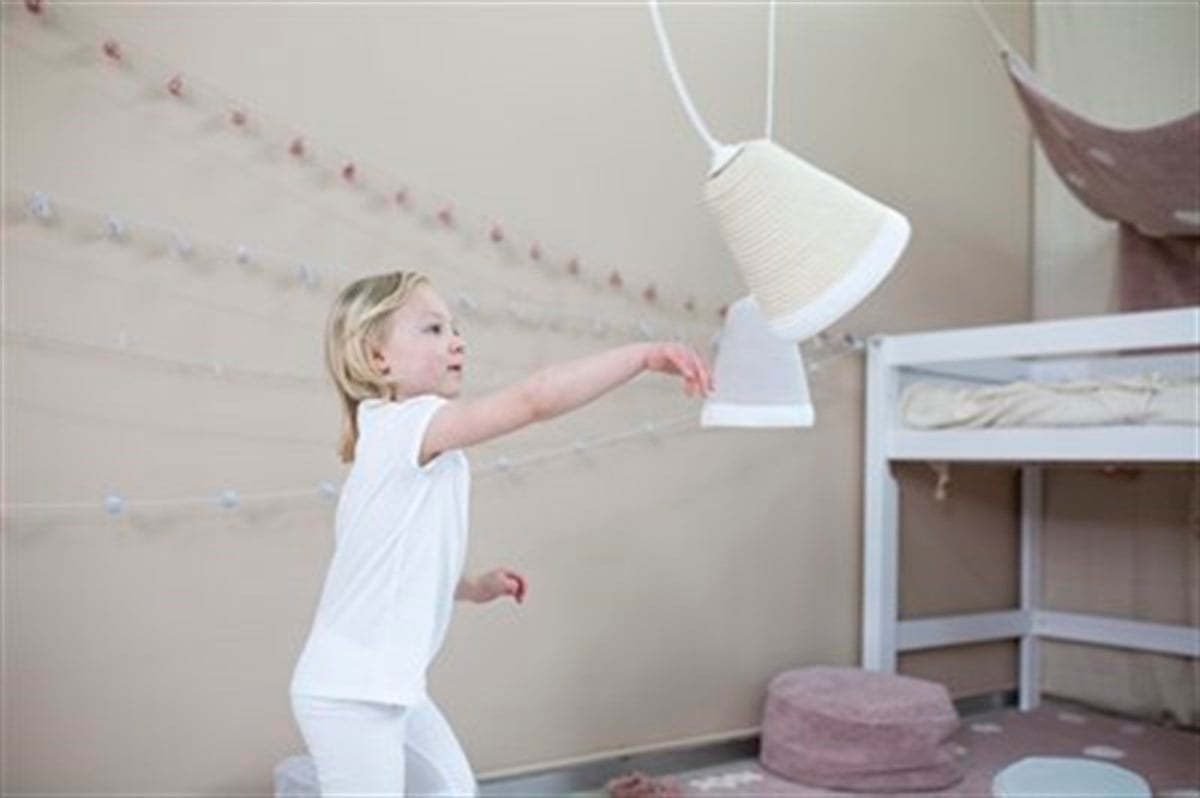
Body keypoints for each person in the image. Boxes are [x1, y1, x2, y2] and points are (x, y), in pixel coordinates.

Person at [290, 270, 713, 796]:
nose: (457, 340)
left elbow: (392, 568)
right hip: (352, 693)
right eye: (434, 329)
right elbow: (534, 400)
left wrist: (472, 586)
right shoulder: (407, 425)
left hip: (390, 684)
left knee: (453, 790)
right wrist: (643, 357)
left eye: (455, 328)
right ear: (378, 359)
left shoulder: (401, 441)